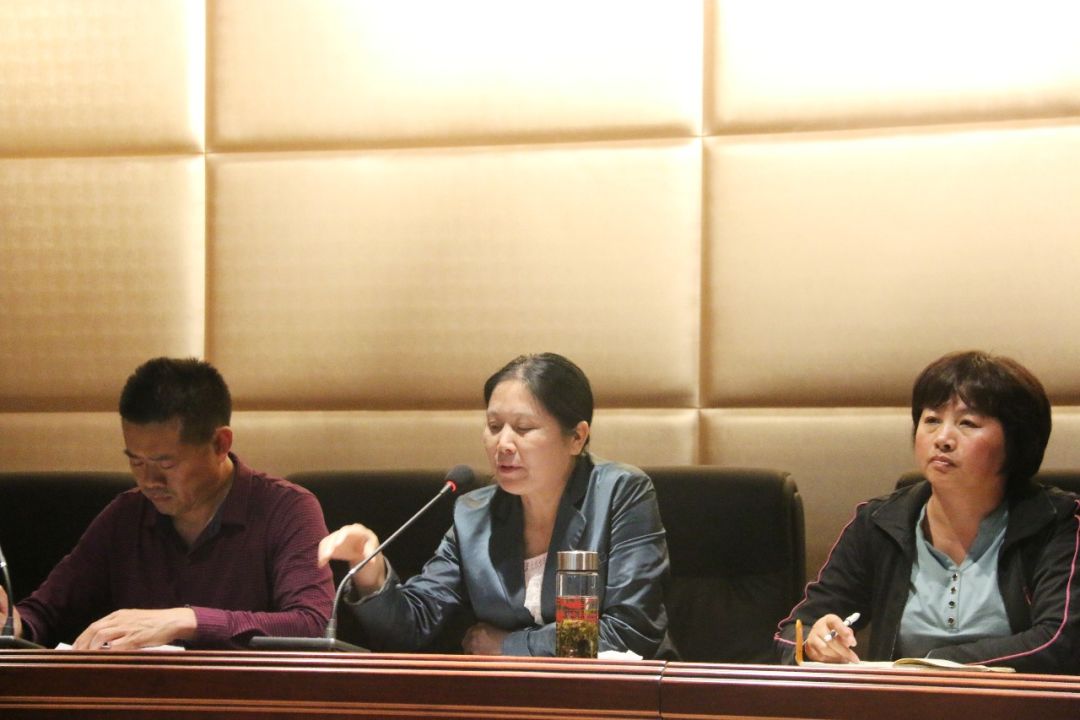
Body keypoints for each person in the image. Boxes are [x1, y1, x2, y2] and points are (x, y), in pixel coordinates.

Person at [319, 352, 672, 657]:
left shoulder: (620, 494)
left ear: (577, 437)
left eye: (523, 428)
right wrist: (370, 572)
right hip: (510, 698)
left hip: (618, 696)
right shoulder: (474, 515)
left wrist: (508, 645)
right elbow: (411, 628)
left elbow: (629, 632)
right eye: (493, 425)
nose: (503, 443)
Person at [776, 350, 1080, 673]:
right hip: (900, 700)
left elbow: (1059, 641)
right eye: (932, 420)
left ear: (1016, 442)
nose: (943, 439)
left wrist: (933, 664)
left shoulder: (1057, 522)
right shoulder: (879, 523)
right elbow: (791, 633)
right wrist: (813, 642)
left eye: (967, 423)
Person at [0, 357, 335, 649]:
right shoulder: (127, 515)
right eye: (136, 461)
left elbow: (312, 625)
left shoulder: (287, 509)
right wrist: (11, 622)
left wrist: (187, 620)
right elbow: (44, 613)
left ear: (220, 444)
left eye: (166, 464)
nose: (148, 481)